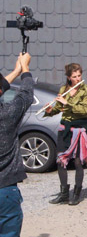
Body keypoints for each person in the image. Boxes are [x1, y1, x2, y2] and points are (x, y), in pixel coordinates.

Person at [45, 63, 87, 206]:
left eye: (79, 75)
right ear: (69, 78)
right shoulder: (63, 89)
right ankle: (64, 194)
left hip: (79, 128)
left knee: (78, 162)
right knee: (61, 160)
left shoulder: (86, 90)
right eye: (74, 77)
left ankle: (77, 194)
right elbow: (58, 108)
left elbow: (84, 109)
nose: (78, 79)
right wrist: (49, 110)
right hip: (65, 127)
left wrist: (67, 103)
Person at [0, 53, 33, 237]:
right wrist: (25, 70)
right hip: (5, 190)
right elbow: (26, 94)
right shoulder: (7, 114)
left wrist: (15, 71)